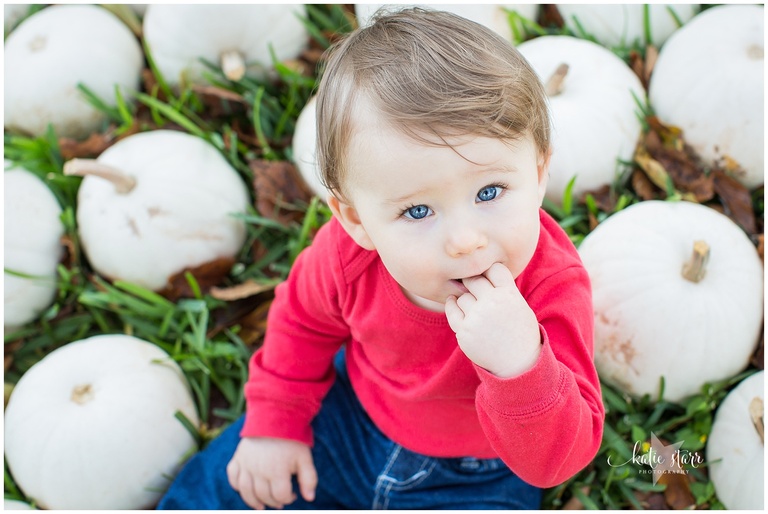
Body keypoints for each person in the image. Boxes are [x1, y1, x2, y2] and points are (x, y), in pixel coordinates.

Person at [157, 7, 604, 510]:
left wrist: (521, 365)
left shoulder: (552, 286)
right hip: (349, 420)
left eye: (490, 191)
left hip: (479, 474)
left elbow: (558, 461)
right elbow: (302, 322)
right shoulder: (347, 257)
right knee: (225, 489)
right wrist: (276, 424)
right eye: (417, 210)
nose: (464, 239)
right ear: (356, 220)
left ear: (540, 172)